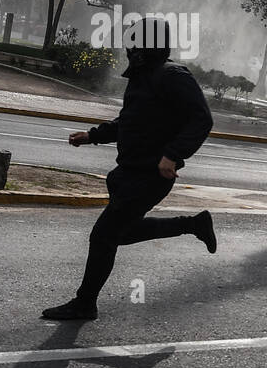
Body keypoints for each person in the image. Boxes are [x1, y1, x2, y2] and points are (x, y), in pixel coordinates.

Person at [41, 18, 217, 321]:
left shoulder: (172, 76)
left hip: (151, 176)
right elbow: (131, 121)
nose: (128, 48)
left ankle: (85, 303)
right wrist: (93, 136)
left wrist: (172, 156)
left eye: (133, 42)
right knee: (122, 233)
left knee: (103, 236)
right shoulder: (143, 77)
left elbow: (202, 119)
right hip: (127, 172)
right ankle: (193, 224)